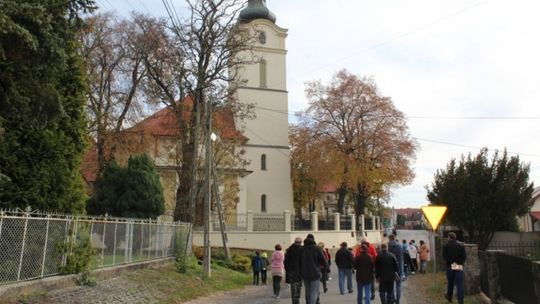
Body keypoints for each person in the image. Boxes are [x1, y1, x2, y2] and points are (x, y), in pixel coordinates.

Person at [300, 234, 329, 304]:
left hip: (304, 273)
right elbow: (323, 260)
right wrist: (326, 269)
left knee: (308, 291)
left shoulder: (301, 249)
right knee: (314, 292)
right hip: (315, 273)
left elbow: (298, 261)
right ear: (313, 240)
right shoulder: (316, 249)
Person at [443, 232, 467, 304]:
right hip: (458, 266)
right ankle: (460, 300)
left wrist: (451, 263)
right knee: (459, 284)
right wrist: (458, 263)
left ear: (449, 237)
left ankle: (449, 297)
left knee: (450, 283)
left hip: (450, 266)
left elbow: (444, 256)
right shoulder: (460, 246)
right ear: (455, 238)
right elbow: (464, 256)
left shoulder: (446, 246)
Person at [285, 237, 303, 304]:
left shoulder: (289, 249)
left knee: (293, 288)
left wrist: (288, 270)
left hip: (291, 272)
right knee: (298, 287)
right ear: (301, 242)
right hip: (299, 272)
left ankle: (295, 301)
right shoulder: (302, 249)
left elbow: (286, 262)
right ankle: (297, 300)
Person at [387, 235, 403, 304]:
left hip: (391, 269)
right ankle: (398, 300)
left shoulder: (389, 247)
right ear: (394, 238)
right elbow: (401, 258)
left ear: (390, 239)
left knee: (391, 285)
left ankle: (393, 298)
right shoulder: (399, 246)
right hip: (399, 268)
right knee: (398, 285)